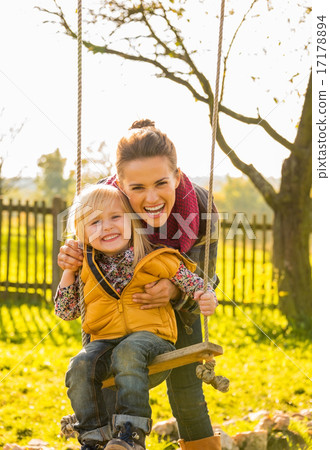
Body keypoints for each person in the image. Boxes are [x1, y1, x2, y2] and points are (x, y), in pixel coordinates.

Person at [58, 119, 221, 450]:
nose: (151, 198)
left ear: (176, 176)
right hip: (114, 315)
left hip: (177, 307)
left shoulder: (201, 209)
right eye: (137, 188)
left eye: (161, 183)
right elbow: (88, 269)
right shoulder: (105, 208)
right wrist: (71, 258)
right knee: (104, 383)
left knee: (187, 387)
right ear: (120, 184)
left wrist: (176, 291)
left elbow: (206, 279)